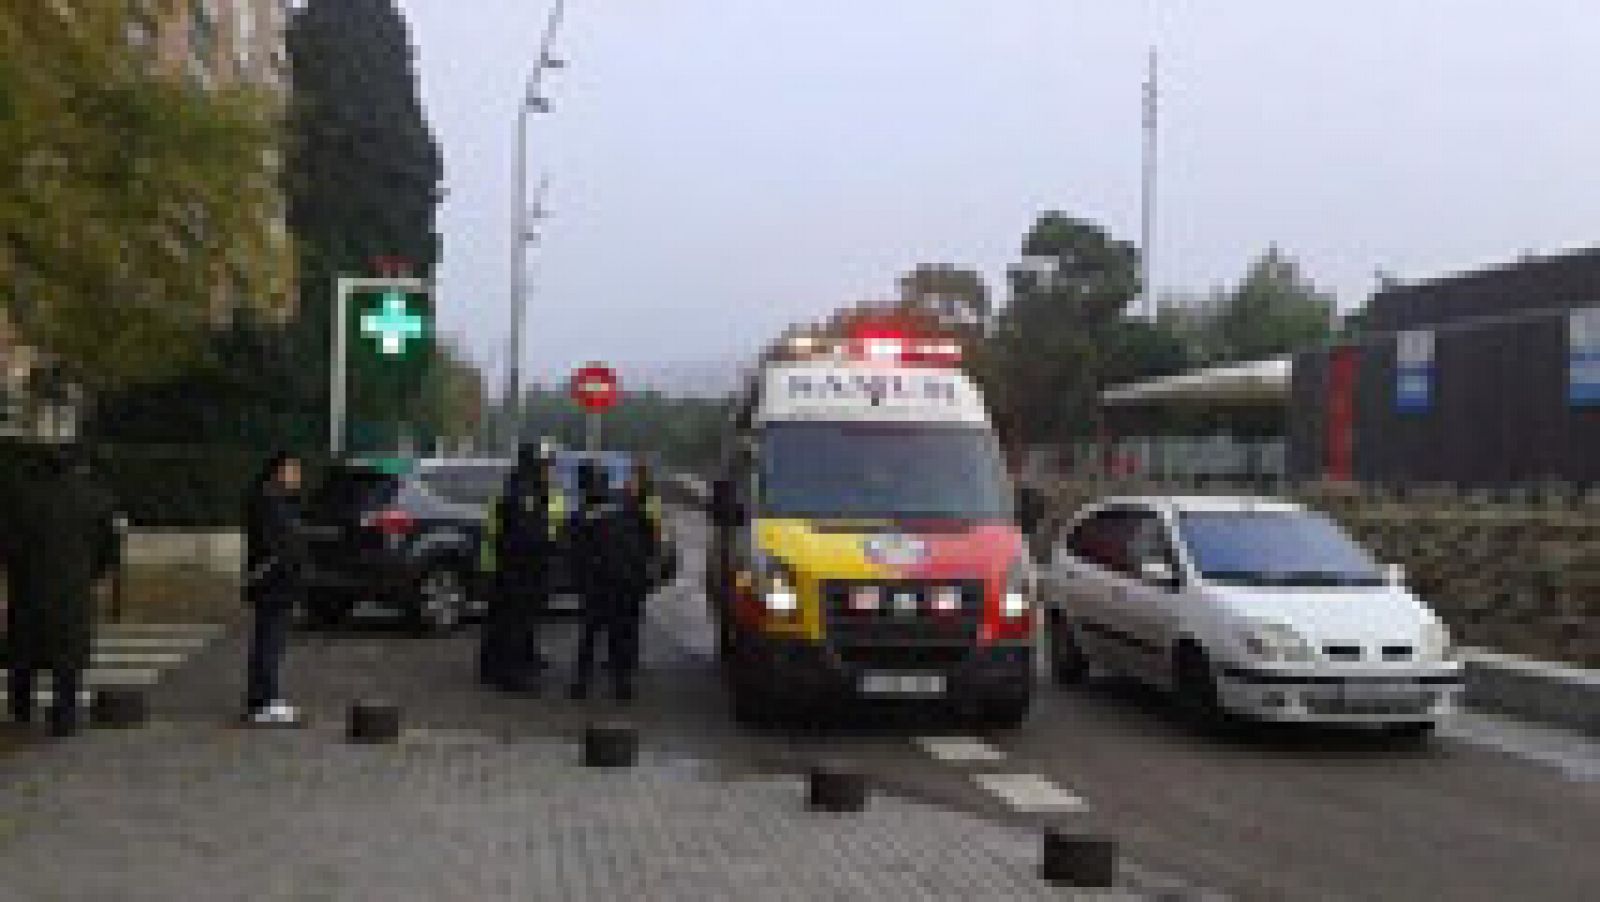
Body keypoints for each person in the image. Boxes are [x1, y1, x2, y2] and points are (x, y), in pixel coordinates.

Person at [1, 441, 118, 737]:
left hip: (27, 587)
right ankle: (64, 717)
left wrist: (16, 571)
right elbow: (107, 548)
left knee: (23, 653)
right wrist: (92, 574)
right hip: (72, 589)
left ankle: (20, 711)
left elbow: (7, 543)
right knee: (68, 656)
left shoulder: (21, 499)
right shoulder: (94, 498)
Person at [566, 460, 669, 702]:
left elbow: (574, 549)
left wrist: (580, 578)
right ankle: (620, 683)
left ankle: (584, 683)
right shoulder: (627, 507)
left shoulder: (585, 513)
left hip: (598, 582)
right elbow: (647, 541)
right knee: (617, 633)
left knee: (591, 633)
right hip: (621, 581)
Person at [477, 442, 564, 694]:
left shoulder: (521, 487)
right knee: (515, 621)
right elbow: (526, 534)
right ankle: (511, 675)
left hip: (513, 566)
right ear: (534, 465)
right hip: (519, 567)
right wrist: (548, 545)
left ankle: (495, 667)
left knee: (504, 618)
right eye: (544, 465)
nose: (548, 471)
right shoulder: (524, 494)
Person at [241, 452, 310, 726]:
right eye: (293, 470)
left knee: (269, 641)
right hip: (273, 583)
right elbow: (280, 545)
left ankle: (264, 699)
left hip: (275, 582)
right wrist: (292, 565)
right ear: (278, 472)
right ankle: (265, 701)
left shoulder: (277, 501)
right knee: (269, 642)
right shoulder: (270, 503)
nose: (298, 477)